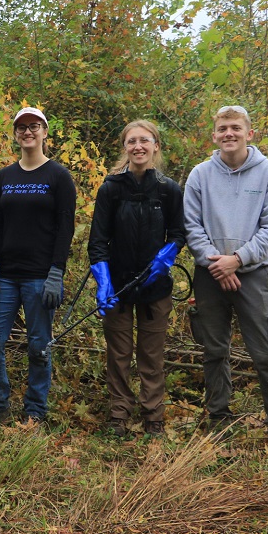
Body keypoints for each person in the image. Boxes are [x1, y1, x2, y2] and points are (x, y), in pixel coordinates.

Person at [184, 105, 268, 452]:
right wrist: (217, 265)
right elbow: (191, 227)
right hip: (209, 275)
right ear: (215, 135)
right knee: (214, 350)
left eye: (235, 128)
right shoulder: (200, 175)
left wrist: (237, 260)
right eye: (222, 129)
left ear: (250, 134)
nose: (228, 134)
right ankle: (219, 421)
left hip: (255, 275)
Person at [87, 120, 186, 437]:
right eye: (132, 141)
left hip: (155, 288)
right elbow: (98, 242)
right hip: (117, 285)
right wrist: (103, 282)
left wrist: (166, 257)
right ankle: (119, 414)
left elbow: (180, 232)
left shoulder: (168, 190)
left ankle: (153, 416)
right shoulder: (111, 189)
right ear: (125, 147)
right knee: (118, 354)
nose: (138, 147)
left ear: (156, 146)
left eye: (145, 141)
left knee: (151, 353)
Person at [0, 107, 77, 425]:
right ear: (16, 135)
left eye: (34, 126)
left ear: (44, 132)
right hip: (5, 276)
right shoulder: (4, 177)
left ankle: (35, 410)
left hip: (40, 277)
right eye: (21, 128)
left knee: (39, 346)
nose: (27, 132)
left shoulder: (59, 177)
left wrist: (56, 272)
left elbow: (65, 228)